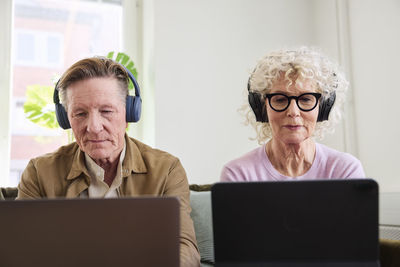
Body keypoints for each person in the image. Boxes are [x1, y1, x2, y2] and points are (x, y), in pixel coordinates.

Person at [17, 57, 200, 267]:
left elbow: (185, 251)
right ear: (66, 118)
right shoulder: (39, 173)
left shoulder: (167, 170)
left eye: (106, 111)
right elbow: (22, 252)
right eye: (80, 113)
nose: (94, 127)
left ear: (129, 113)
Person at [220, 47, 365, 182]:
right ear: (262, 107)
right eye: (280, 100)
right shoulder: (238, 175)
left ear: (322, 108)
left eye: (306, 99)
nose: (293, 112)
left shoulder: (344, 170)